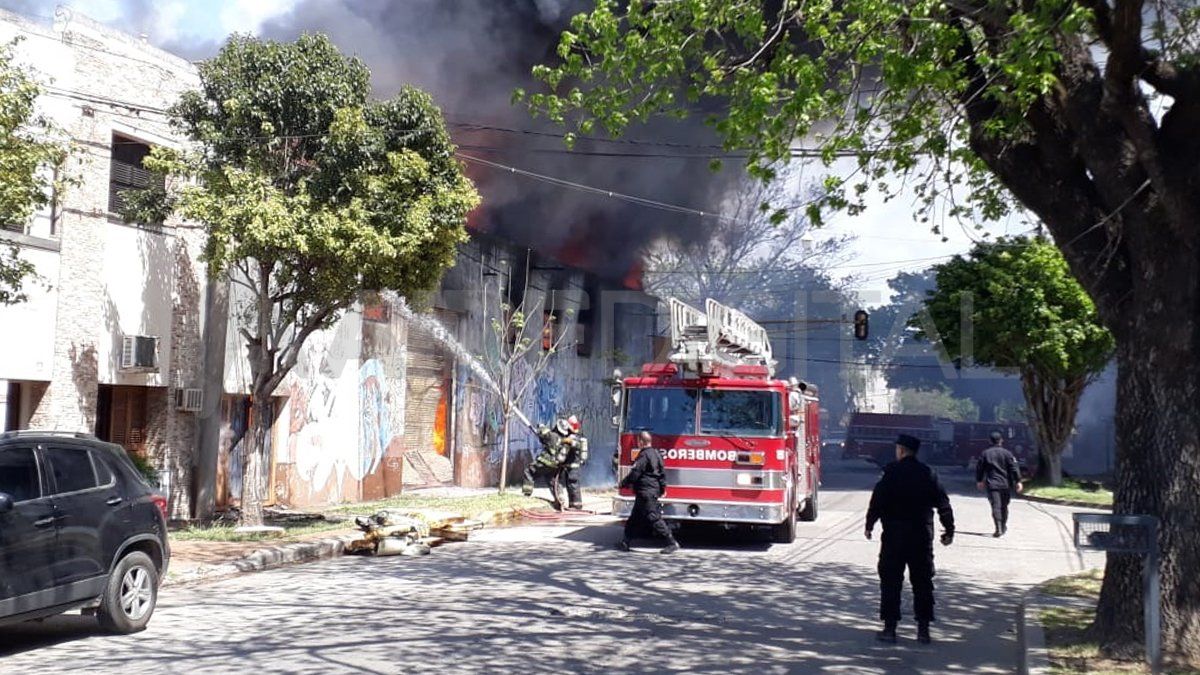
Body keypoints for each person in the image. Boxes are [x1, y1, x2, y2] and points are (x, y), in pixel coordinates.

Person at [865, 433, 955, 645]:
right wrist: (949, 529)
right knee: (923, 582)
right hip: (921, 537)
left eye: (897, 449)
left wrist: (870, 524)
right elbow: (943, 503)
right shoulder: (928, 474)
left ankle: (890, 629)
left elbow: (877, 501)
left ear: (902, 451)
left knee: (891, 582)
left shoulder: (890, 473)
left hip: (894, 537)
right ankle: (923, 630)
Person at [617, 431, 679, 554]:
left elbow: (635, 473)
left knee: (653, 517)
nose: (637, 443)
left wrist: (623, 484)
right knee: (634, 518)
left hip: (646, 491)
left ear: (641, 441)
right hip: (650, 491)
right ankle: (625, 542)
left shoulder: (643, 456)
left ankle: (671, 542)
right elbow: (662, 474)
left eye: (638, 441)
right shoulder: (656, 454)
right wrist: (662, 489)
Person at [522, 416, 577, 510]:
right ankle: (560, 500)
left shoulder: (552, 436)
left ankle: (526, 494)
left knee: (529, 472)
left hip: (545, 462)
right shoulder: (564, 440)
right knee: (553, 482)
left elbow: (542, 432)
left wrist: (541, 425)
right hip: (556, 465)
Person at [976, 430, 1023, 537]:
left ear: (990, 441)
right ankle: (1003, 525)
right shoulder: (1008, 454)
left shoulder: (985, 454)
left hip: (992, 483)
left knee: (995, 506)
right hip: (1005, 484)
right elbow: (1014, 468)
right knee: (1004, 506)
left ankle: (998, 527)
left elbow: (980, 468)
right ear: (1001, 440)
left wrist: (979, 480)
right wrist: (1018, 481)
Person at [554, 415, 588, 510]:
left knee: (573, 485)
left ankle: (576, 505)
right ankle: (573, 505)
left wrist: (562, 441)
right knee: (570, 485)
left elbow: (572, 445)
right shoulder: (575, 437)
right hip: (570, 467)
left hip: (572, 467)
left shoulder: (573, 439)